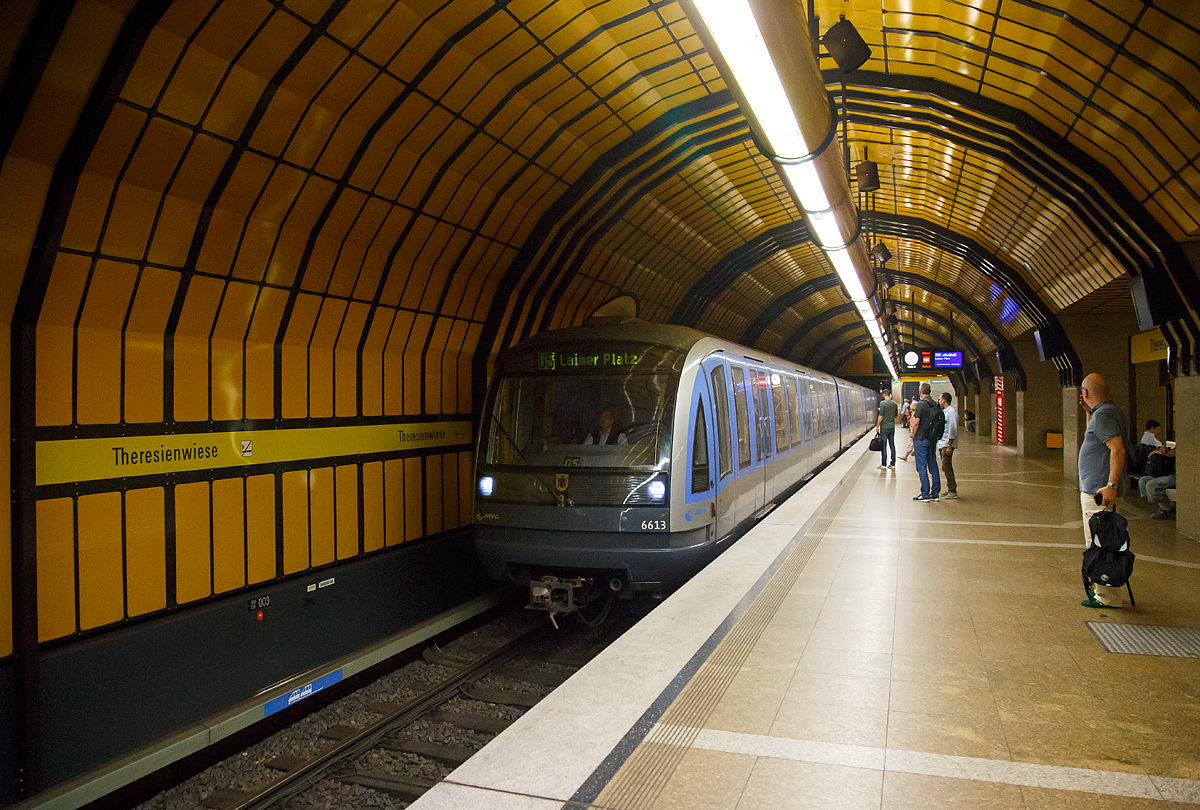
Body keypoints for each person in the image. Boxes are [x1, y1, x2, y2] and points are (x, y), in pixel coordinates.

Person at [1077, 373, 1131, 607]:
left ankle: (1106, 597)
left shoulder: (1105, 415)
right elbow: (1099, 442)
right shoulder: (1106, 412)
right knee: (1101, 539)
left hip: (1098, 491)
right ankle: (1104, 591)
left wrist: (1110, 485)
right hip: (1098, 488)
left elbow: (1117, 450)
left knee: (1099, 542)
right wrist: (1089, 413)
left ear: (1085, 392)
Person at [909, 383, 941, 502]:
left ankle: (925, 494)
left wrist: (913, 433)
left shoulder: (921, 404)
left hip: (921, 438)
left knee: (921, 466)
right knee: (933, 465)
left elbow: (916, 422)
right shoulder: (935, 404)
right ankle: (935, 493)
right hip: (932, 438)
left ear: (920, 391)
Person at [1143, 444, 1176, 520]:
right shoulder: (1167, 458)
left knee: (1152, 484)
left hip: (1176, 477)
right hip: (1170, 475)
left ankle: (1166, 510)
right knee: (1144, 480)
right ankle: (1165, 507)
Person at [938, 392, 959, 499]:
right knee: (946, 466)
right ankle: (950, 488)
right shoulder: (946, 412)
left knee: (946, 466)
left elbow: (953, 429)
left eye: (940, 399)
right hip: (943, 443)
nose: (939, 400)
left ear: (944, 400)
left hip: (947, 443)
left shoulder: (951, 412)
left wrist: (950, 445)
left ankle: (952, 490)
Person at [875, 389, 898, 468]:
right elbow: (896, 416)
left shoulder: (882, 403)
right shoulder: (894, 404)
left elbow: (880, 416)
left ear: (884, 395)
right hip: (892, 427)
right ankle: (893, 463)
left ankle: (884, 463)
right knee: (892, 445)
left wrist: (877, 426)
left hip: (884, 427)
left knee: (883, 445)